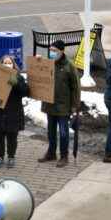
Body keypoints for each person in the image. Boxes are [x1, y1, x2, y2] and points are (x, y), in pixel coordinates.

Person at [38, 40, 80, 168]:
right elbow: (38, 76)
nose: (52, 53)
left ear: (62, 51)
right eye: (50, 50)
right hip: (50, 104)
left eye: (54, 50)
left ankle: (64, 156)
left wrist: (74, 106)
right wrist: (38, 62)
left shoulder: (69, 66)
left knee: (63, 132)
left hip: (63, 106)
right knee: (51, 131)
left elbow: (76, 87)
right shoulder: (48, 63)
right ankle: (51, 153)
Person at [0, 56, 28, 168]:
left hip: (13, 112)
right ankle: (0, 156)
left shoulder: (18, 77)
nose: (7, 65)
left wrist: (16, 83)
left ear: (13, 64)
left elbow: (25, 92)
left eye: (9, 63)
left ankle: (11, 157)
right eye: (5, 63)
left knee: (12, 137)